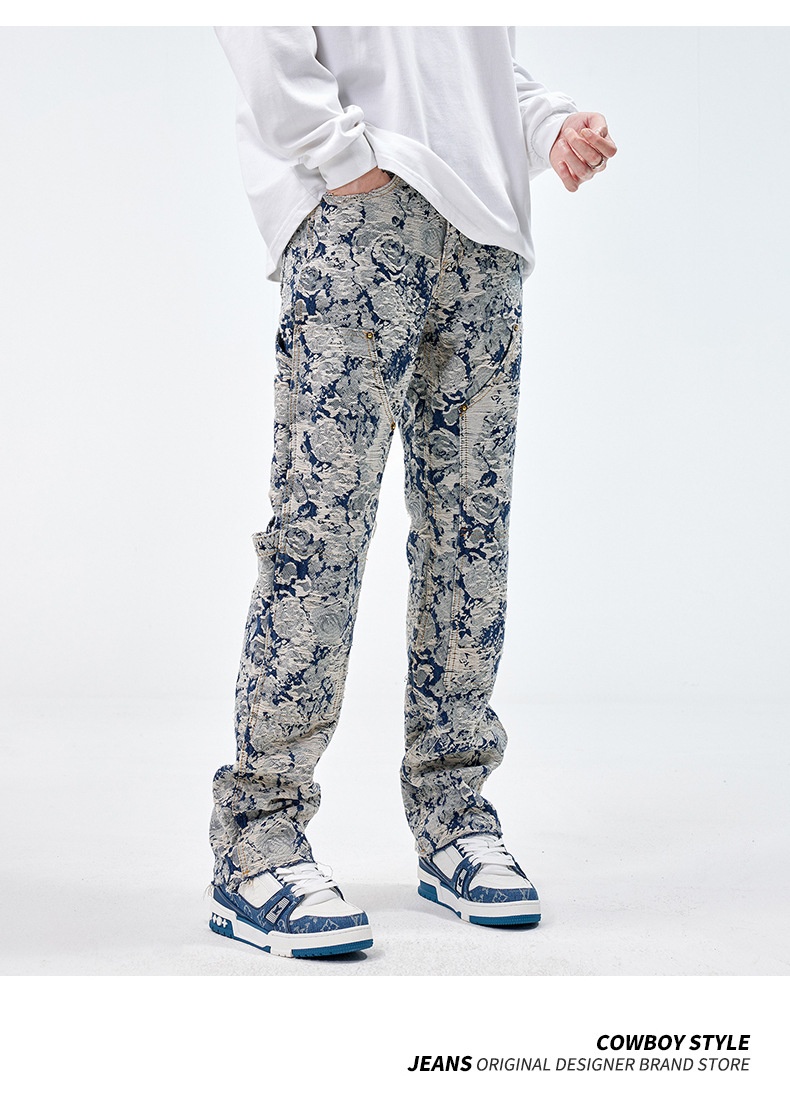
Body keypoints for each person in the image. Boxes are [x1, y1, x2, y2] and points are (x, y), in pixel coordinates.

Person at [207, 26, 616, 959]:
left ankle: (454, 814)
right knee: (322, 532)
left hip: (486, 235)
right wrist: (342, 159)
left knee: (469, 539)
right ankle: (258, 838)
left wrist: (545, 125)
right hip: (358, 220)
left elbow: (463, 62)